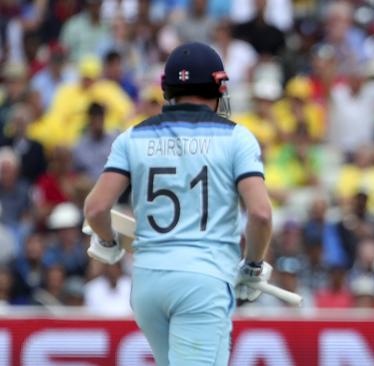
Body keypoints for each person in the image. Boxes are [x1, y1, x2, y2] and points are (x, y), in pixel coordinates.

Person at [83, 42, 274, 365]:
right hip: (203, 280)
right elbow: (260, 213)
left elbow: (96, 209)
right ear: (219, 86)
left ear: (166, 89)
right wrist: (253, 265)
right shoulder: (237, 138)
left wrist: (108, 242)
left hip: (147, 283)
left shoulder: (132, 137)